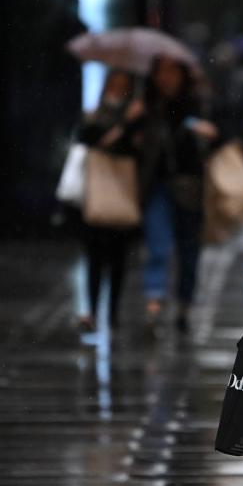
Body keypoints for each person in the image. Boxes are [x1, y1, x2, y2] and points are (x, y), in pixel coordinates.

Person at [136, 57, 218, 334]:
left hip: (190, 185)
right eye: (160, 71)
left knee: (189, 250)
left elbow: (224, 135)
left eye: (171, 71)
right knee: (158, 245)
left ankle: (184, 304)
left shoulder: (198, 103)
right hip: (157, 185)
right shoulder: (146, 105)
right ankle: (154, 302)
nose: (165, 77)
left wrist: (206, 132)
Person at [74, 69, 143, 333]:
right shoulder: (96, 115)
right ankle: (91, 310)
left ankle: (111, 313)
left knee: (118, 259)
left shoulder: (137, 116)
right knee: (94, 257)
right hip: (97, 192)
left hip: (122, 193)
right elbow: (88, 139)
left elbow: (136, 149)